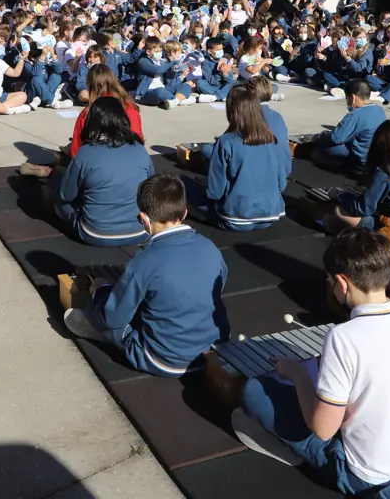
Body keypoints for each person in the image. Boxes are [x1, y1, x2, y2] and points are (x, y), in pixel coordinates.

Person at [233, 231, 390, 497]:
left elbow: (323, 429)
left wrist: (297, 375)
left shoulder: (342, 337)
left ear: (341, 283)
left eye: (329, 281)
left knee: (253, 390)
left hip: (366, 477)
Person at [63, 175, 229, 377]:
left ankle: (93, 325)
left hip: (162, 359)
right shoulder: (210, 247)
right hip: (211, 350)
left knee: (105, 309)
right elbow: (217, 287)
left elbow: (112, 318)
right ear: (184, 213)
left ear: (144, 218)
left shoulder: (144, 261)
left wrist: (100, 290)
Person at [56, 97, 155, 246]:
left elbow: (66, 196)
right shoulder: (140, 150)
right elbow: (152, 190)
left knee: (59, 195)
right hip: (140, 231)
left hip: (94, 233)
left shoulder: (85, 153)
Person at [202, 85, 289, 231]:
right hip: (270, 215)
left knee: (188, 188)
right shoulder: (271, 138)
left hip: (235, 219)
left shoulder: (226, 141)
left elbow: (214, 192)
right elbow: (282, 184)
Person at [309, 79, 386, 171]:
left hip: (361, 158)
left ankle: (342, 165)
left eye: (347, 98)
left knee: (320, 150)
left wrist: (318, 137)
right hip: (376, 157)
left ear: (353, 97)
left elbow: (336, 138)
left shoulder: (355, 115)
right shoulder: (379, 110)